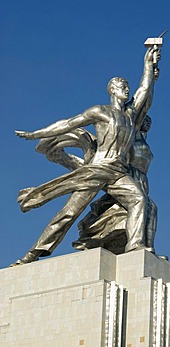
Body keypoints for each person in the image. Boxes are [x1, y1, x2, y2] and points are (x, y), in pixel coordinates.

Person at [11, 46, 160, 266]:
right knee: (70, 212)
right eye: (122, 86)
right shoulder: (100, 111)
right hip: (98, 168)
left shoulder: (130, 115)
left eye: (127, 86)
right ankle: (31, 254)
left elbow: (145, 90)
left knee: (139, 199)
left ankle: (135, 246)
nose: (127, 90)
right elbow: (69, 123)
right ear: (112, 90)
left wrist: (149, 65)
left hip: (118, 172)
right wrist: (37, 134)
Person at [72, 115, 157, 253]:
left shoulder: (143, 140)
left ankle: (147, 246)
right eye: (145, 120)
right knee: (140, 207)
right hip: (127, 174)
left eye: (150, 121)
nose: (148, 123)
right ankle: (135, 243)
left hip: (141, 179)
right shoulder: (129, 137)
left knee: (150, 208)